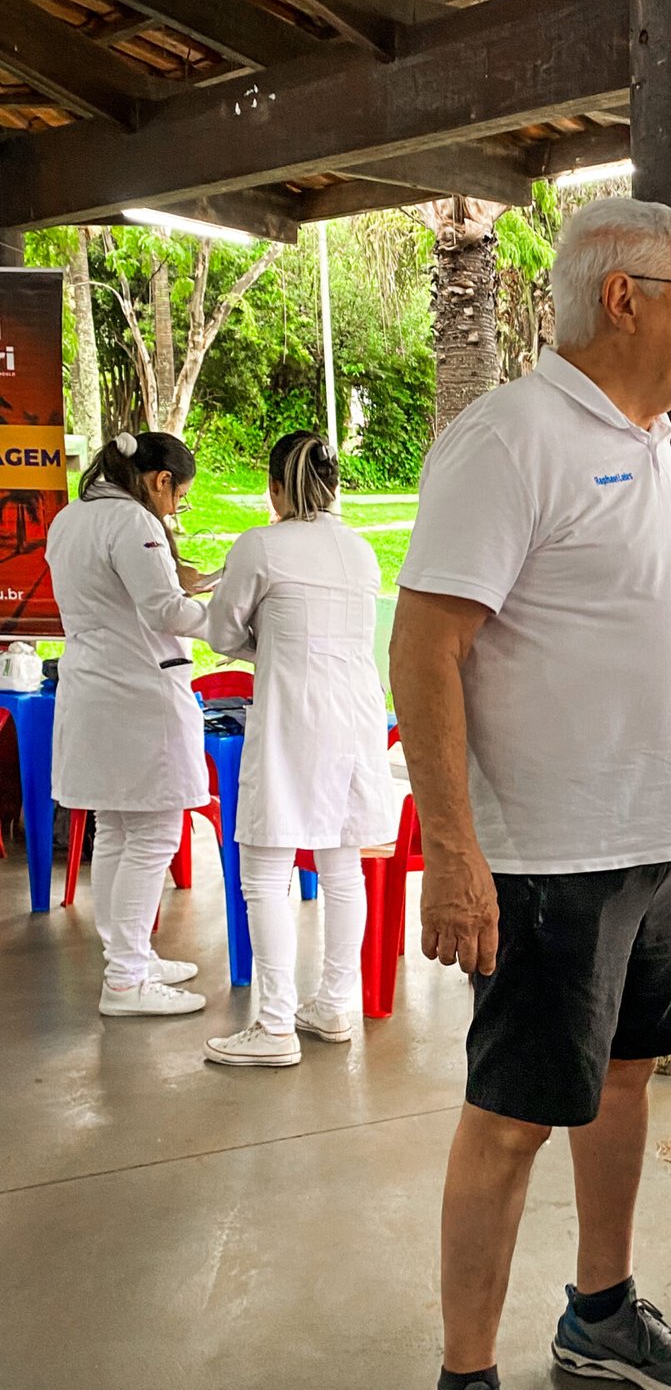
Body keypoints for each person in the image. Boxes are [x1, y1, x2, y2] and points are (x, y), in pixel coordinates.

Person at [391, 195, 671, 1390]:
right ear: (624, 297)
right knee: (513, 1117)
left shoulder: (645, 441)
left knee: (627, 1077)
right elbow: (426, 647)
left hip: (658, 843)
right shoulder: (510, 440)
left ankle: (599, 1311)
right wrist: (454, 856)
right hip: (550, 857)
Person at [201, 432, 395, 1067]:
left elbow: (221, 632)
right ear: (334, 485)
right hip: (356, 716)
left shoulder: (261, 545)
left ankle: (275, 1025)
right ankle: (334, 1005)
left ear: (275, 488)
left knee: (264, 870)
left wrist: (269, 647)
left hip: (293, 716)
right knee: (342, 864)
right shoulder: (360, 551)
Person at [46, 429, 210, 1017]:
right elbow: (163, 610)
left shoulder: (70, 518)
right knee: (156, 833)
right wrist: (228, 617)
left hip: (93, 690)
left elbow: (116, 594)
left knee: (116, 828)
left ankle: (128, 955)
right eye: (177, 497)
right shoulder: (133, 521)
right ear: (160, 480)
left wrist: (179, 578)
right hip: (137, 696)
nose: (174, 510)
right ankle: (125, 980)